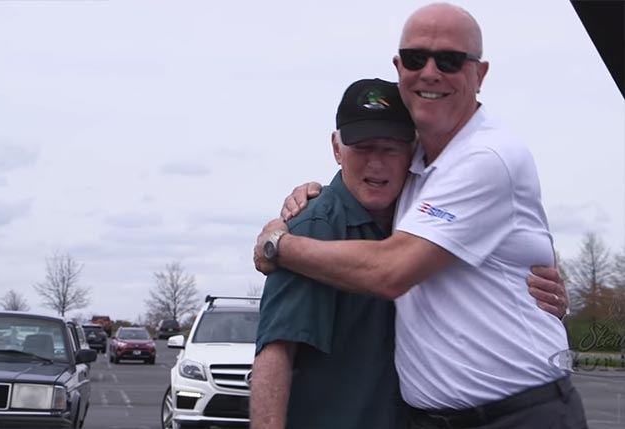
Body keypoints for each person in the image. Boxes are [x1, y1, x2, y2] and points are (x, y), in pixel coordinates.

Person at [253, 3, 586, 428]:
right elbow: (274, 352)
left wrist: (278, 245)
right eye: (415, 58)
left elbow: (391, 271)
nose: (430, 72)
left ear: (479, 74)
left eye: (449, 60)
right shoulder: (412, 177)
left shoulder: (484, 157)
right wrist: (308, 206)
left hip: (516, 417)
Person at [250, 78, 415, 429]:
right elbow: (276, 352)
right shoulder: (314, 229)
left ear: (413, 151)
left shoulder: (423, 225)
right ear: (337, 149)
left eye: (390, 148)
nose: (376, 164)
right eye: (363, 148)